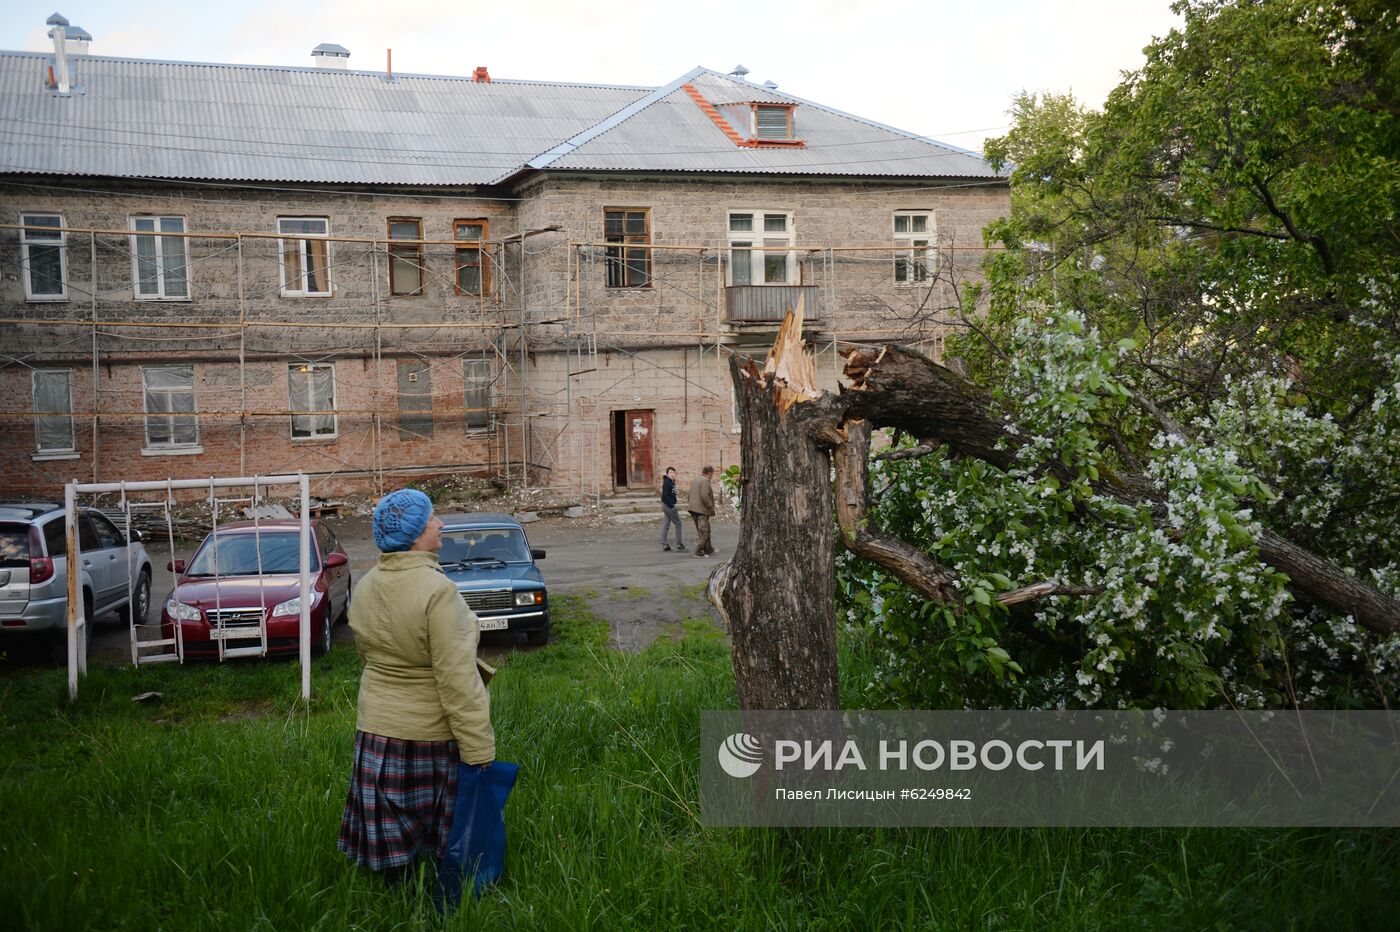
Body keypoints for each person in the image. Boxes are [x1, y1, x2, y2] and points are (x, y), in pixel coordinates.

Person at [339, 488, 495, 879]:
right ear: (413, 534)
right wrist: (479, 750)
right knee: (439, 845)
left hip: (375, 732)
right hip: (427, 736)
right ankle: (436, 910)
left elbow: (368, 657)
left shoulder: (367, 585)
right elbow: (458, 680)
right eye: (432, 519)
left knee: (393, 853)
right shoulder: (438, 592)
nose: (440, 524)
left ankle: (395, 905)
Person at [687, 465, 717, 557]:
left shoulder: (696, 479)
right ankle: (698, 551)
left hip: (693, 508)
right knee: (704, 531)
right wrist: (710, 506)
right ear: (709, 473)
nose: (712, 476)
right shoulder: (705, 481)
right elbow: (705, 495)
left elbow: (689, 494)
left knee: (706, 529)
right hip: (701, 509)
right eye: (712, 474)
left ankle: (708, 549)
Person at [659, 466, 685, 552]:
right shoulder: (667, 482)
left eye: (673, 472)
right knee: (678, 523)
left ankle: (664, 544)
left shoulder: (671, 482)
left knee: (666, 524)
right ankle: (679, 544)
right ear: (667, 474)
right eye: (670, 472)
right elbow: (665, 496)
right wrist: (672, 506)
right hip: (668, 505)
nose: (672, 474)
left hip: (667, 505)